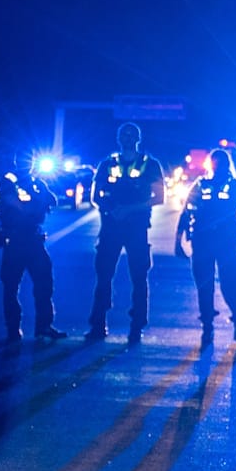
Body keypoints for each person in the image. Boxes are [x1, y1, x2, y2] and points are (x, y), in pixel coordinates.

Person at [85, 122, 166, 345]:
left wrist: (130, 209)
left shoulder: (150, 165)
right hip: (111, 227)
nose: (128, 137)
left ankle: (136, 326)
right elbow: (95, 196)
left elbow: (159, 197)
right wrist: (112, 210)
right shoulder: (107, 164)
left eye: (132, 134)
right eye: (124, 134)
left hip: (137, 228)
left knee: (139, 278)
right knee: (103, 277)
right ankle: (98, 324)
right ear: (119, 138)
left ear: (138, 138)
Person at [174, 147, 236, 348]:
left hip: (224, 243)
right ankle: (210, 328)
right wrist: (177, 241)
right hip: (204, 243)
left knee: (229, 286)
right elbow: (186, 213)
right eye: (216, 163)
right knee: (207, 287)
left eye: (221, 163)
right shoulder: (201, 186)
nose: (218, 167)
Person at [0, 153, 65, 343]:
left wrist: (37, 203)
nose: (28, 163)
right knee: (11, 286)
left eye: (30, 159)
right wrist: (37, 204)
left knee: (45, 283)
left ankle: (44, 326)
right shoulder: (9, 180)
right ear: (17, 160)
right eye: (24, 159)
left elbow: (53, 200)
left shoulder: (37, 181)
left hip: (34, 240)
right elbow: (16, 204)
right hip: (15, 240)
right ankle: (12, 330)